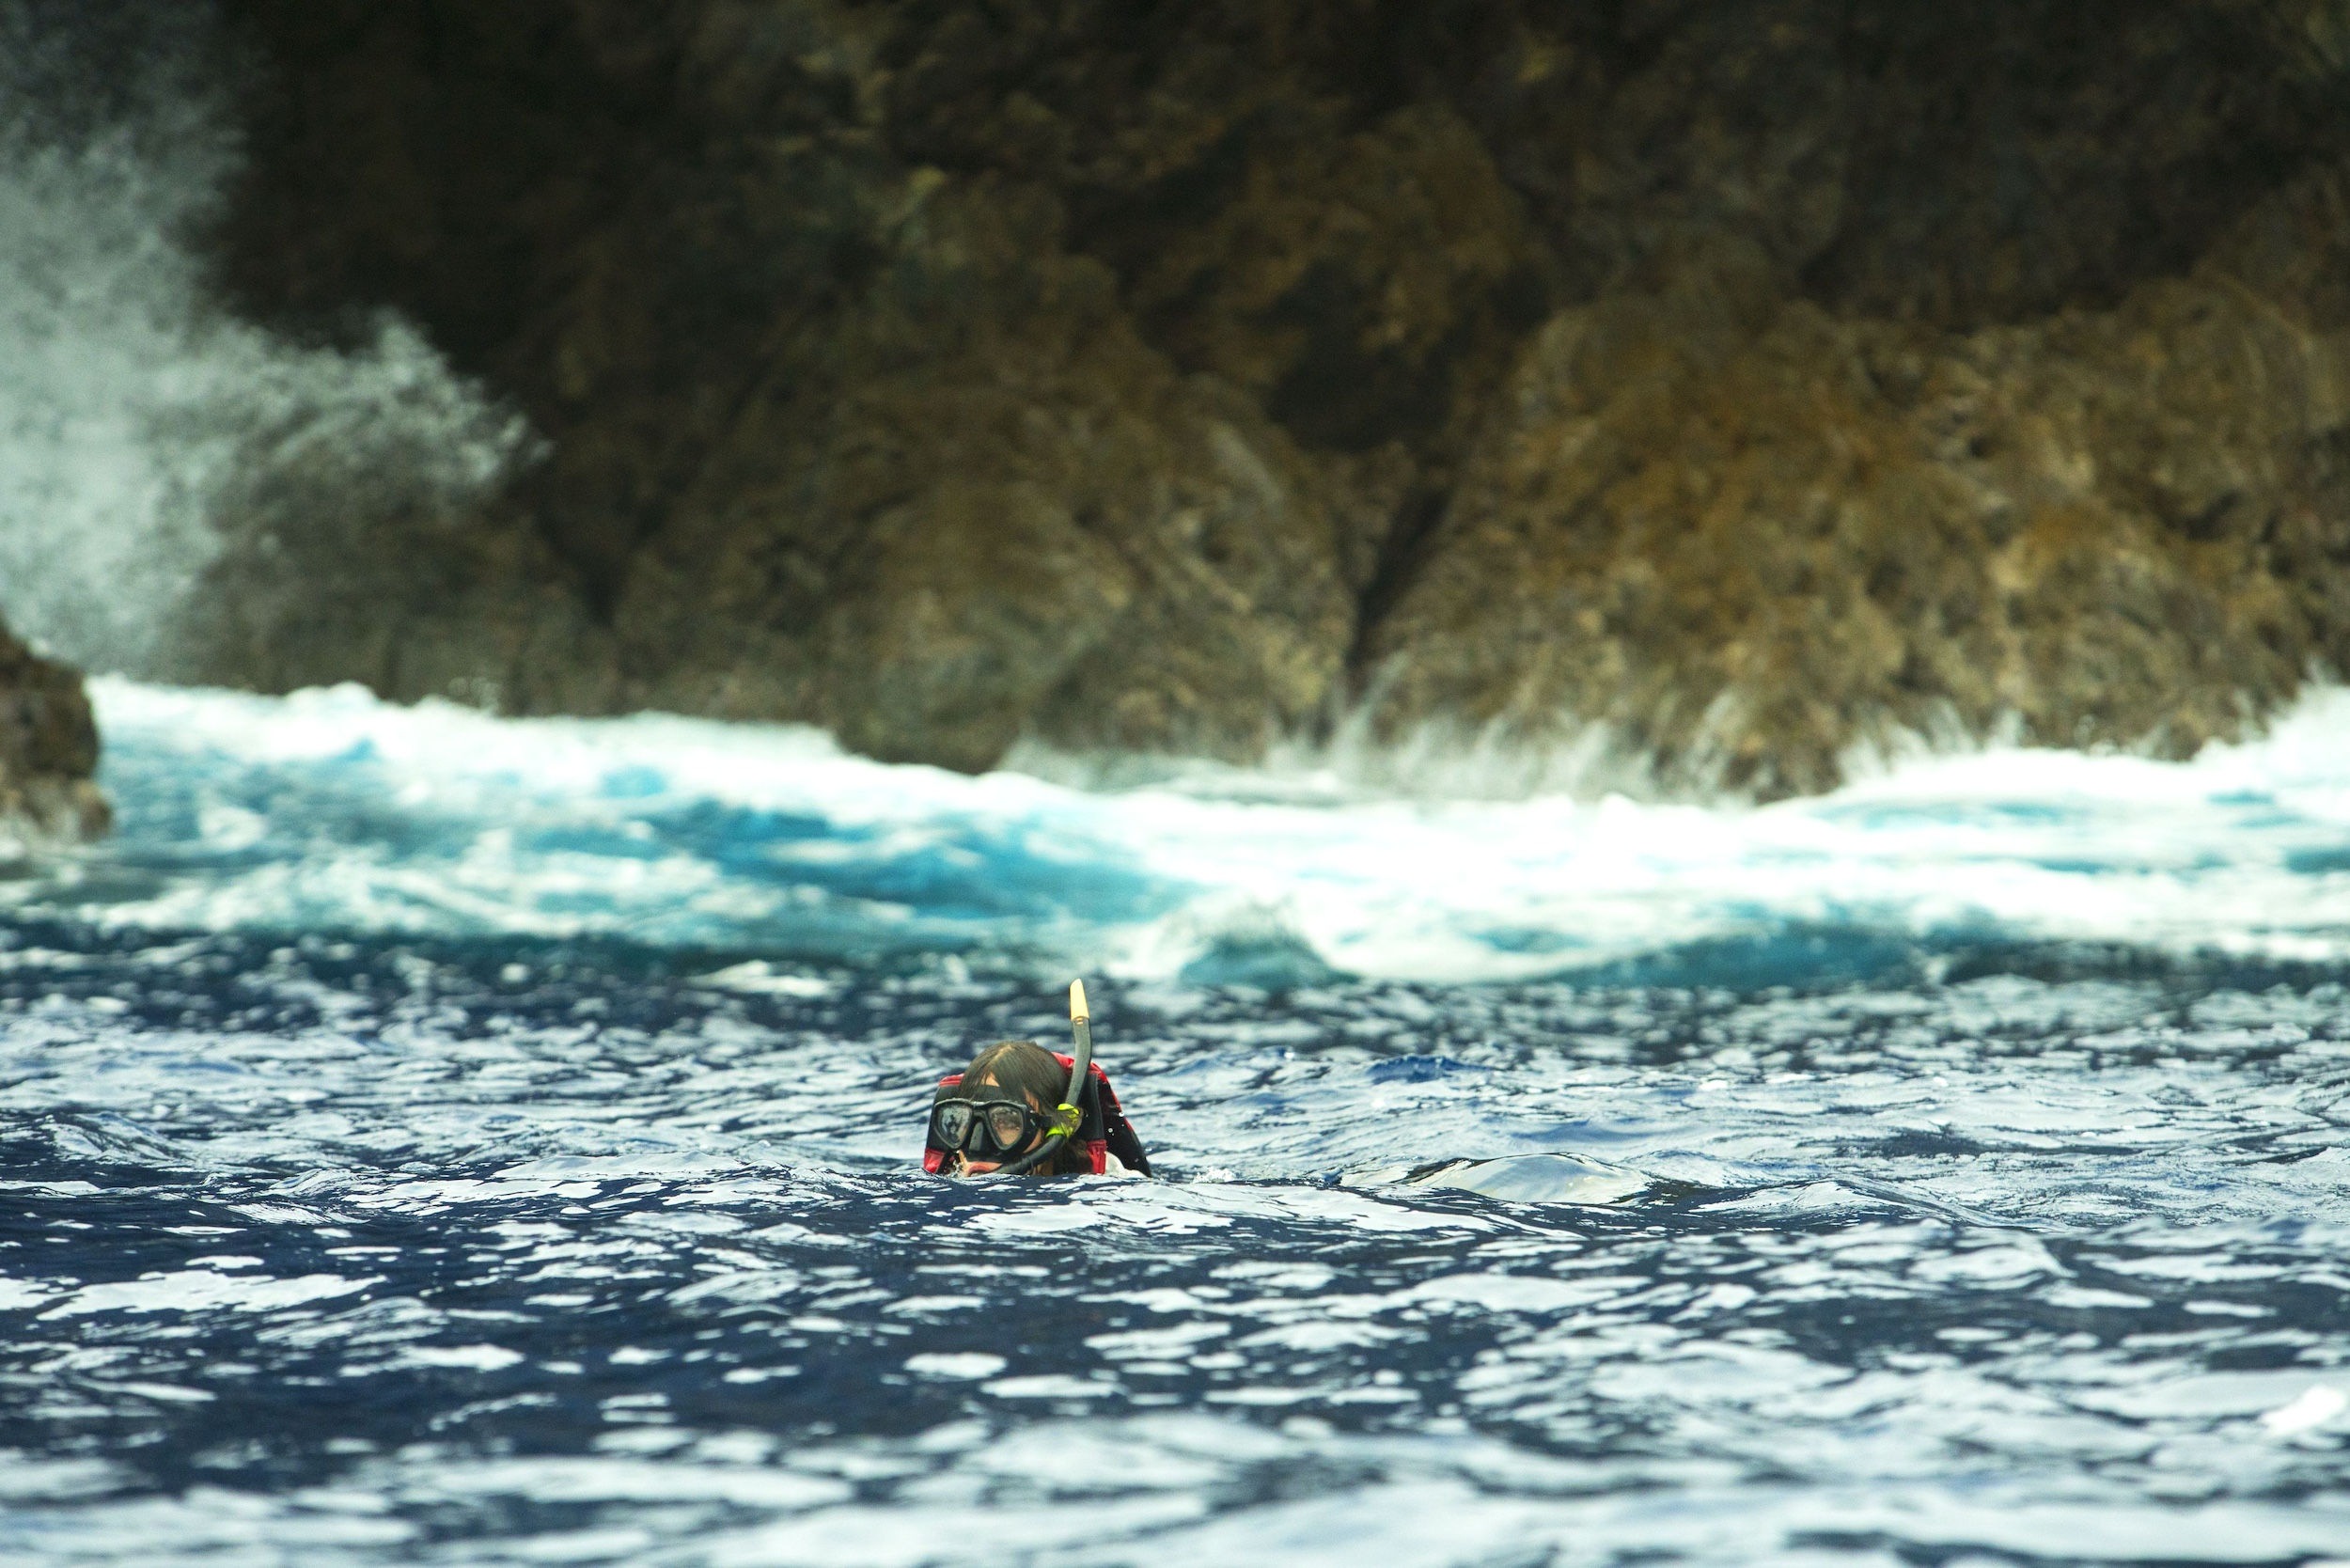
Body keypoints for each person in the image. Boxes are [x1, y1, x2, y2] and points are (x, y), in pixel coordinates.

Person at [923, 1038, 1151, 1178]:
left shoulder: (1111, 1185)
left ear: (1055, 1128)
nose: (976, 1142)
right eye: (964, 1120)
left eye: (1007, 1121)